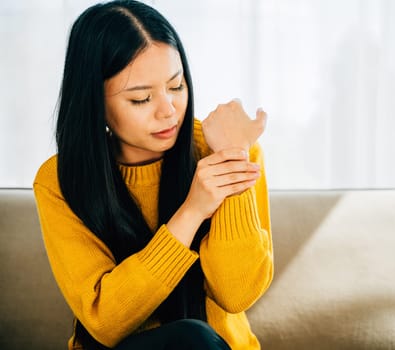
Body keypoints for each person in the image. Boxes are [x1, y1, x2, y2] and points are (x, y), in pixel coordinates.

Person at [33, 1, 272, 349]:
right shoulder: (59, 180)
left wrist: (230, 159)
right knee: (193, 339)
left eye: (176, 87)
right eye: (142, 99)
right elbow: (106, 321)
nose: (168, 111)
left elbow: (238, 294)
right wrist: (192, 212)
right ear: (95, 102)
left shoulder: (229, 149)